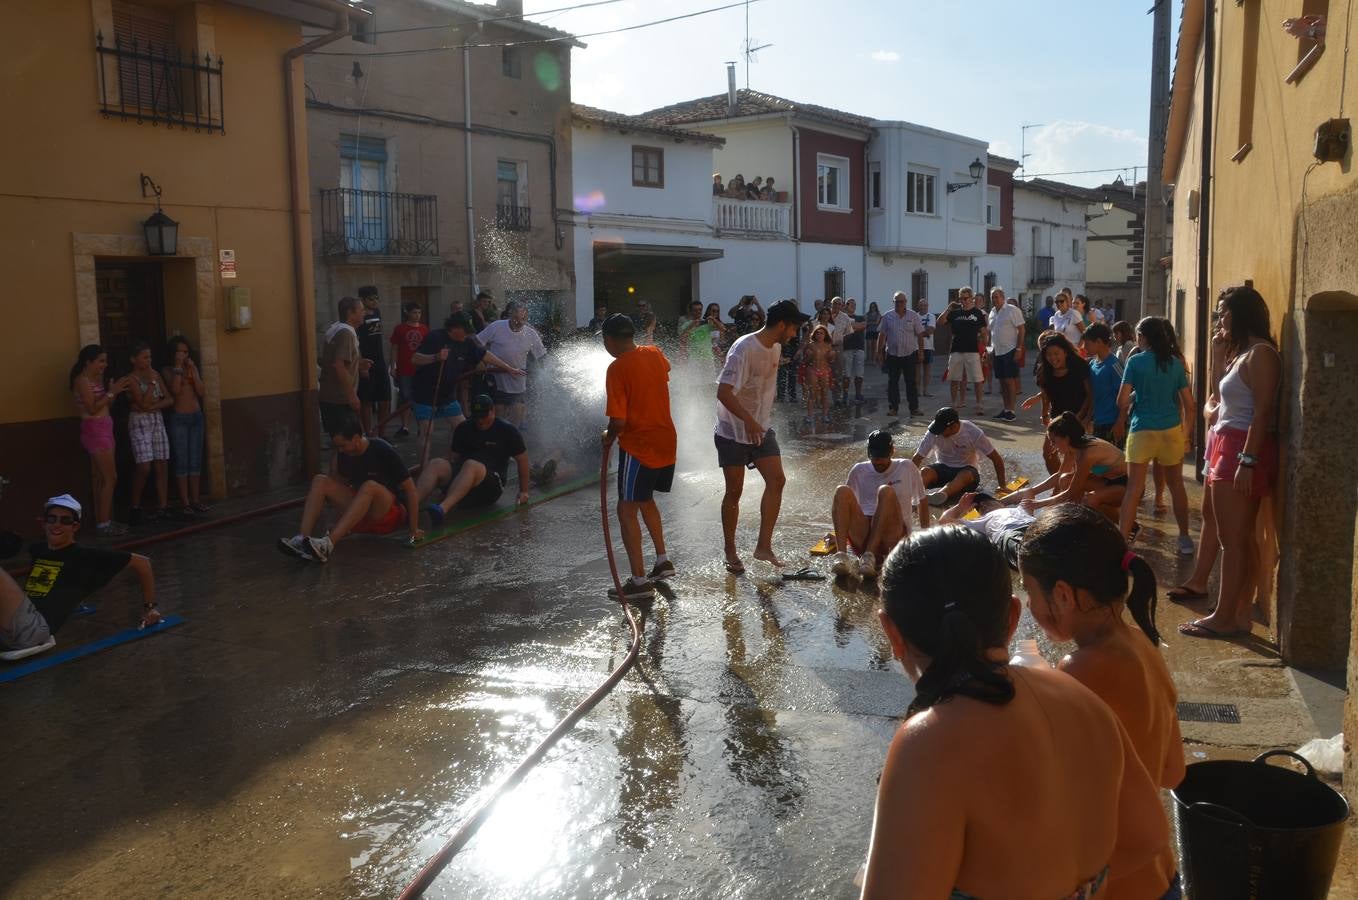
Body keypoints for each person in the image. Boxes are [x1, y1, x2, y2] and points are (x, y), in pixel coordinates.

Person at [862, 526, 1171, 899]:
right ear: (1011, 617)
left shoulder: (925, 745)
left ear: (891, 632)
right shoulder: (1081, 697)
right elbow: (1148, 836)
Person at [1018, 504, 1184, 898]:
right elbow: (1173, 772)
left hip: (1110, 886)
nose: (1028, 605)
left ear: (1062, 595)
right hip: (1160, 879)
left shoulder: (1080, 673)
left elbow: (1041, 795)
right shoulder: (1144, 646)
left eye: (1029, 590)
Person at [1181, 286, 1281, 640]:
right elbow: (1217, 404)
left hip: (1242, 448)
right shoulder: (1242, 354)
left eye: (1224, 312)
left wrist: (1248, 460)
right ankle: (1236, 613)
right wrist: (1216, 353)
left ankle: (1225, 616)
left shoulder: (1261, 354)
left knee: (1233, 539)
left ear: (1241, 314)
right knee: (1233, 537)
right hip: (1227, 443)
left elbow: (1263, 411)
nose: (1220, 319)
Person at [0, 494, 162, 659]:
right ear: (43, 522)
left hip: (34, 630)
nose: (57, 525)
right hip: (11, 628)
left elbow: (143, 563)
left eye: (65, 521)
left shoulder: (84, 555)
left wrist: (149, 608)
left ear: (75, 527)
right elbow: (60, 582)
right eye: (52, 519)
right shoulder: (38, 549)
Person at [715, 299, 809, 573]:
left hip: (761, 428)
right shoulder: (743, 349)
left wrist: (760, 420)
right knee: (735, 491)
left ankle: (763, 546)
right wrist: (749, 421)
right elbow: (723, 392)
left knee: (777, 480)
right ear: (782, 325)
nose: (795, 333)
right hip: (732, 429)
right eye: (793, 328)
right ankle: (730, 550)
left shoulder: (777, 347)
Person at [600, 315, 677, 600]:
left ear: (608, 340)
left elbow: (618, 422)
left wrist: (607, 437)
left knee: (626, 508)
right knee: (645, 500)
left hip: (639, 445)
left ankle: (639, 581)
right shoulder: (655, 354)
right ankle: (662, 560)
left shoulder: (616, 369)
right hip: (666, 439)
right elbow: (662, 377)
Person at [278, 413, 421, 562]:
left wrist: (413, 529)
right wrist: (335, 521)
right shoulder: (343, 454)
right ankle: (301, 539)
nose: (340, 450)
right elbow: (338, 489)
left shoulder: (382, 449)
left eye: (342, 445)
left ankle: (329, 544)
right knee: (320, 480)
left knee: (369, 486)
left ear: (356, 438)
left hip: (388, 513)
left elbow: (410, 489)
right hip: (360, 512)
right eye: (337, 446)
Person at [1114, 317, 1195, 554]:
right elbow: (1189, 405)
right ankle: (1185, 538)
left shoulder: (1135, 362)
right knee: (1177, 486)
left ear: (1144, 337)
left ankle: (1122, 543)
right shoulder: (1175, 363)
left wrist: (1136, 395)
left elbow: (1121, 401)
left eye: (1139, 335)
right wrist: (1186, 436)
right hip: (1171, 431)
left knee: (1133, 489)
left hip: (1142, 431)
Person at [411, 313, 522, 457]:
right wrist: (435, 357)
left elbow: (485, 355)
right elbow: (415, 359)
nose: (468, 334)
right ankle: (423, 469)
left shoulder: (466, 342)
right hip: (425, 394)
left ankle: (451, 460)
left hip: (447, 395)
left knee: (462, 428)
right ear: (455, 328)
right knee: (427, 431)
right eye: (466, 330)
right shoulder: (435, 337)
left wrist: (508, 368)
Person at [415, 394, 530, 528]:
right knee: (436, 463)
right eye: (477, 416)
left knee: (471, 464)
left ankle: (442, 509)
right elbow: (452, 457)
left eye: (484, 416)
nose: (480, 421)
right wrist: (424, 468)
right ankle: (411, 505)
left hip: (489, 487)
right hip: (463, 479)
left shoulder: (508, 430)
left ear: (492, 411)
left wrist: (524, 492)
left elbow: (522, 460)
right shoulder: (463, 428)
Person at [829, 430, 929, 581]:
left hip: (893, 535)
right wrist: (836, 534)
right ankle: (841, 557)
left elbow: (922, 500)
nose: (879, 461)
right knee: (841, 491)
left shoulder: (907, 467)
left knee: (885, 491)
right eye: (875, 457)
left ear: (892, 451)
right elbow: (845, 507)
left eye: (883, 457)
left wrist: (927, 537)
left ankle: (869, 556)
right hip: (863, 533)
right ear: (869, 453)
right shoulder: (859, 470)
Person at [1012, 413, 1129, 521]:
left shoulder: (1087, 454)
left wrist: (1038, 503)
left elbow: (1071, 492)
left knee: (1090, 500)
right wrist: (1033, 491)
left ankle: (1131, 527)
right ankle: (1075, 520)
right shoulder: (1073, 447)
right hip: (1106, 481)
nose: (1052, 446)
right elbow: (1059, 476)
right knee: (1065, 479)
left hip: (1126, 484)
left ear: (1066, 438)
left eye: (1053, 441)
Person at [70, 344, 131, 537]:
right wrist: (112, 392)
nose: (104, 365)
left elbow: (106, 403)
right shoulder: (82, 381)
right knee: (110, 477)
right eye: (101, 361)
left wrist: (112, 392)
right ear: (89, 362)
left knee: (104, 478)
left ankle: (104, 519)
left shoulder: (96, 379)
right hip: (95, 430)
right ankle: (104, 523)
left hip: (105, 426)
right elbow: (92, 408)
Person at [1022, 332, 1093, 474]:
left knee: (1075, 456)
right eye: (1049, 355)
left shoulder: (1079, 365)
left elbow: (1090, 395)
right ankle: (1059, 485)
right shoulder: (1044, 370)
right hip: (1057, 418)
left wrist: (1082, 418)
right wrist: (1044, 413)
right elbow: (1046, 394)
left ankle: (1074, 488)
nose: (1053, 358)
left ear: (1065, 352)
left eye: (1056, 353)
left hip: (1079, 416)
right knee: (1048, 453)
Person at [912, 407, 1006, 507]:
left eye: (942, 430)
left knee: (966, 475)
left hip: (967, 471)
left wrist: (1002, 486)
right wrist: (905, 482)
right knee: (925, 471)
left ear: (954, 426)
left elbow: (996, 458)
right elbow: (917, 458)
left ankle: (941, 495)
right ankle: (915, 496)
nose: (939, 433)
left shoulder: (972, 432)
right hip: (942, 467)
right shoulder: (934, 430)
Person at [476, 300, 547, 429]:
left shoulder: (531, 334)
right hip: (496, 376)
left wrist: (546, 374)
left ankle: (512, 437)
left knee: (517, 413)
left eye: (523, 319)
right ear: (510, 315)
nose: (519, 322)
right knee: (499, 411)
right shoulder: (496, 326)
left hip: (517, 378)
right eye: (516, 318)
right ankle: (497, 437)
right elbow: (477, 342)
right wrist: (480, 361)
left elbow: (542, 356)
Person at [125, 341, 173, 526]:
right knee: (144, 465)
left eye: (150, 357)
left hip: (156, 419)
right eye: (145, 357)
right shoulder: (132, 379)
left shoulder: (156, 375)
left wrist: (153, 406)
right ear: (133, 360)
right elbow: (142, 403)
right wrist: (152, 384)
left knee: (161, 461)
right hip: (139, 422)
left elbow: (168, 399)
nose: (149, 360)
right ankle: (135, 506)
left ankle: (163, 506)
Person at [162, 336, 209, 516]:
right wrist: (178, 367)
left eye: (185, 352)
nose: (182, 355)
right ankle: (185, 501)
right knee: (182, 459)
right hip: (179, 418)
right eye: (179, 352)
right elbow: (174, 390)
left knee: (195, 459)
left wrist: (194, 371)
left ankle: (196, 499)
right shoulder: (167, 370)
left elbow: (201, 391)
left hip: (196, 417)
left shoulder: (192, 368)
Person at [937, 491, 1036, 570]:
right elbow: (944, 521)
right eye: (979, 508)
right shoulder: (980, 522)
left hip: (1036, 527)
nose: (983, 506)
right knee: (1030, 553)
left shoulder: (1021, 509)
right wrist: (960, 507)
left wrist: (1001, 502)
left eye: (986, 503)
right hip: (1009, 535)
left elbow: (1027, 492)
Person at [319, 297, 370, 438]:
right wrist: (352, 396)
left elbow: (334, 361)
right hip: (339, 400)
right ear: (350, 313)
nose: (364, 313)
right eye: (361, 310)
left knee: (343, 446)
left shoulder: (336, 329)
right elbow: (339, 365)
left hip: (332, 398)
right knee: (347, 445)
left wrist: (358, 364)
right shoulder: (346, 333)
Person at [937, 287, 988, 415]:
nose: (963, 301)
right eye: (961, 298)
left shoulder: (978, 313)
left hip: (973, 350)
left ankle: (979, 405)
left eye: (965, 298)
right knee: (954, 378)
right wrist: (949, 308)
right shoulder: (955, 313)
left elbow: (983, 333)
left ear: (971, 298)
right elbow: (940, 322)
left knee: (977, 379)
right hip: (956, 350)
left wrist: (985, 349)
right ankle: (954, 404)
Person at [875, 292, 926, 418]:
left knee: (911, 382)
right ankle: (893, 408)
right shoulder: (887, 316)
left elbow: (920, 335)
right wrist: (878, 352)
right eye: (897, 301)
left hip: (909, 354)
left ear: (906, 302)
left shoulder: (913, 315)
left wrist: (921, 352)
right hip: (892, 355)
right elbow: (882, 335)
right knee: (892, 382)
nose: (899, 304)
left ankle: (914, 408)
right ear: (893, 302)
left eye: (901, 301)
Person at [356, 286, 392, 438]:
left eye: (377, 298)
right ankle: (369, 433)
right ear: (363, 300)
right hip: (366, 361)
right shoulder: (358, 317)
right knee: (367, 400)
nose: (375, 301)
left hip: (380, 361)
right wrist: (361, 362)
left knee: (385, 398)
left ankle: (382, 433)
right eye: (371, 299)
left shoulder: (377, 312)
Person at [389, 301, 428, 438]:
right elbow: (394, 348)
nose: (417, 315)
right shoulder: (400, 329)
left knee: (419, 398)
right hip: (404, 368)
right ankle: (404, 426)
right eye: (414, 312)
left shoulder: (424, 329)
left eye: (419, 312)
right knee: (405, 397)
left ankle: (420, 425)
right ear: (408, 313)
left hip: (420, 369)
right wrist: (393, 366)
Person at [986, 287, 1025, 420]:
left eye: (997, 296)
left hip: (1010, 350)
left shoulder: (1012, 310)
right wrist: (990, 351)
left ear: (1003, 297)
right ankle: (1006, 409)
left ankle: (1012, 411)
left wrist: (1019, 349)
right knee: (1002, 382)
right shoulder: (992, 312)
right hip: (997, 351)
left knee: (1009, 381)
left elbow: (1021, 329)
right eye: (992, 297)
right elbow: (991, 334)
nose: (995, 299)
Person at [1083, 322, 1125, 444]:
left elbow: (1125, 397)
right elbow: (1092, 396)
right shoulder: (1092, 364)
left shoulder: (1114, 365)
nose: (1084, 347)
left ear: (1099, 342)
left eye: (1087, 343)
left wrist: (1120, 422)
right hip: (1095, 423)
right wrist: (1087, 418)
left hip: (1111, 424)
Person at [799, 323, 835, 424]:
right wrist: (809, 355)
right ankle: (810, 416)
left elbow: (831, 361)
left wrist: (832, 355)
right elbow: (806, 361)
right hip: (813, 370)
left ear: (825, 335)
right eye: (817, 333)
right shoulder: (811, 345)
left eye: (822, 333)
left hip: (824, 370)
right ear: (814, 334)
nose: (819, 335)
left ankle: (825, 415)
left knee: (825, 393)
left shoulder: (828, 346)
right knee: (812, 393)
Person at [838, 298, 869, 402]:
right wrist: (854, 327)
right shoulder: (842, 318)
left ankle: (858, 394)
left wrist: (850, 327)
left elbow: (863, 326)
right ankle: (845, 394)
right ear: (846, 305)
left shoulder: (860, 317)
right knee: (846, 373)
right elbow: (843, 328)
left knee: (859, 374)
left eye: (855, 304)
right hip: (847, 348)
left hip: (859, 348)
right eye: (851, 304)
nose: (854, 306)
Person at [914, 296, 936, 397]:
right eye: (921, 305)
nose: (923, 307)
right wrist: (924, 331)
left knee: (927, 370)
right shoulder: (914, 316)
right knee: (917, 369)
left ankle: (925, 390)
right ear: (918, 306)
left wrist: (919, 332)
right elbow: (913, 331)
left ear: (927, 306)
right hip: (916, 347)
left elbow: (930, 330)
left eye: (925, 305)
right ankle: (917, 390)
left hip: (928, 347)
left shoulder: (931, 316)